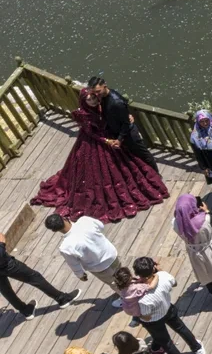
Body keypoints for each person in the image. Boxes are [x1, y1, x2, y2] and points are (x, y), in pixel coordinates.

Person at [31, 88, 168, 223]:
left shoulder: (104, 106)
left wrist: (127, 117)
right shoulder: (83, 114)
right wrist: (107, 141)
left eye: (94, 98)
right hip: (93, 143)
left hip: (112, 138)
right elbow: (91, 133)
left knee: (124, 166)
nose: (92, 101)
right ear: (84, 101)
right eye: (89, 99)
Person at [125, 258, 205, 354]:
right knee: (181, 328)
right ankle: (197, 349)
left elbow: (146, 316)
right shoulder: (163, 275)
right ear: (153, 267)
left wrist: (138, 317)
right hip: (167, 308)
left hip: (154, 321)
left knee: (166, 343)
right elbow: (174, 283)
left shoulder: (141, 297)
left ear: (137, 273)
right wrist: (160, 271)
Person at [48, 212, 123, 307]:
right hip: (112, 255)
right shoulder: (85, 220)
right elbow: (101, 226)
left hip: (99, 269)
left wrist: (81, 275)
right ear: (64, 218)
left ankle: (127, 298)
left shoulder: (65, 247)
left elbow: (74, 264)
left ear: (54, 230)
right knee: (121, 273)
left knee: (114, 283)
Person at [0, 230, 79, 319]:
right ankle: (62, 298)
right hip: (6, 265)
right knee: (34, 277)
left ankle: (26, 311)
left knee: (6, 290)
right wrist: (2, 243)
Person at [87, 77, 158, 171]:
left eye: (98, 91)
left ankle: (156, 174)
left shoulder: (117, 102)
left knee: (144, 155)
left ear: (105, 86)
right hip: (116, 130)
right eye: (94, 92)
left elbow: (126, 123)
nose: (96, 94)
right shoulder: (102, 96)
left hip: (129, 134)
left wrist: (120, 139)